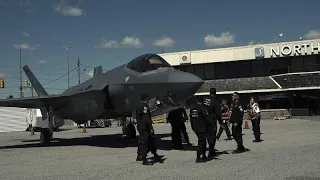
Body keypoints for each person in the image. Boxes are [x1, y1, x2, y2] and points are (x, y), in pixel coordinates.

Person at [136, 93, 162, 165]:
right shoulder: (144, 107)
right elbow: (146, 118)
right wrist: (150, 127)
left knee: (148, 140)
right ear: (146, 99)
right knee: (145, 142)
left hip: (141, 126)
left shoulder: (139, 106)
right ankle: (143, 158)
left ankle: (142, 155)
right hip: (145, 127)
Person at [203, 88, 224, 158]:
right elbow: (218, 113)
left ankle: (209, 149)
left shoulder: (205, 100)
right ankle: (211, 151)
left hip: (205, 120)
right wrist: (221, 122)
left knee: (208, 136)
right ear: (215, 93)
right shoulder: (215, 101)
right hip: (212, 121)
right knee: (212, 136)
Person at [189, 96, 209, 163]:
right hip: (202, 128)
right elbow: (207, 118)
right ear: (202, 101)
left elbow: (191, 119)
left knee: (201, 141)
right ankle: (199, 157)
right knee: (202, 143)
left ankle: (203, 155)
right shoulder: (202, 108)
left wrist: (193, 127)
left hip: (195, 128)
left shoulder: (192, 109)